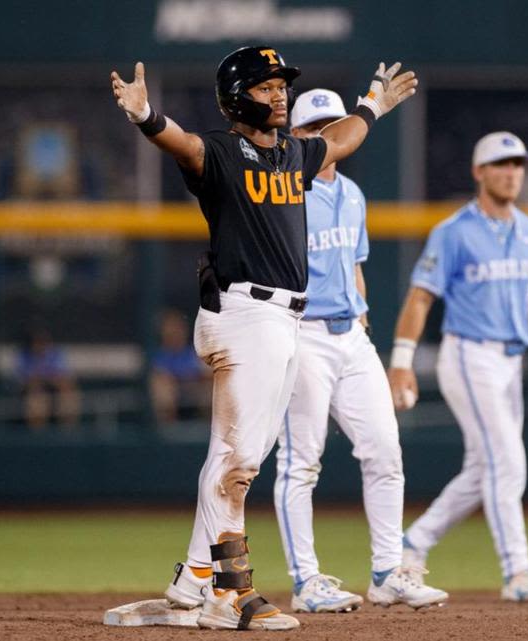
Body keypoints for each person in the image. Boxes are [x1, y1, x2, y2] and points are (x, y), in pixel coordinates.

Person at [111, 47, 417, 631]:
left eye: (282, 86)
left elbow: (343, 141)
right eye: (265, 86)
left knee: (233, 454)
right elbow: (184, 143)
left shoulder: (293, 154)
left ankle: (193, 579)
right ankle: (231, 592)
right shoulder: (225, 151)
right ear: (236, 97)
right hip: (245, 313)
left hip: (282, 321)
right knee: (239, 461)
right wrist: (146, 116)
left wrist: (372, 106)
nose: (278, 95)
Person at [387, 132, 528, 603]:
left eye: (519, 164)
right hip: (468, 354)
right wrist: (401, 362)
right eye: (501, 164)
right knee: (507, 461)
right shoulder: (454, 231)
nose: (512, 172)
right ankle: (517, 571)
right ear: (479, 172)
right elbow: (420, 296)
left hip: (511, 359)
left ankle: (411, 545)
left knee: (484, 468)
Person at [272, 89, 448, 614]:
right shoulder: (284, 192)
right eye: (315, 129)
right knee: (300, 463)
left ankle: (389, 571)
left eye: (334, 126)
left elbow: (355, 264)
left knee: (386, 453)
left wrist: (364, 314)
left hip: (352, 336)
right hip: (301, 334)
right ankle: (305, 582)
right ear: (295, 137)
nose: (328, 136)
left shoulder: (352, 192)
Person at [149, 309, 210, 424]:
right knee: (161, 387)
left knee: (211, 387)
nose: (175, 332)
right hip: (173, 394)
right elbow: (160, 374)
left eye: (178, 328)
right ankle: (168, 432)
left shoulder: (194, 351)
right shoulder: (160, 355)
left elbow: (206, 373)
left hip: (195, 391)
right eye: (170, 328)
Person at [16, 326, 80, 429]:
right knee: (36, 393)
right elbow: (25, 380)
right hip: (34, 391)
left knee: (67, 390)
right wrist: (41, 379)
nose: (40, 345)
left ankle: (68, 430)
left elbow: (63, 377)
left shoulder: (56, 354)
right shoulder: (24, 356)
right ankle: (37, 432)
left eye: (43, 342)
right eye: (37, 342)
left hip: (54, 389)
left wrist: (48, 379)